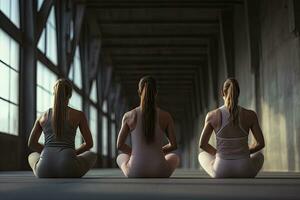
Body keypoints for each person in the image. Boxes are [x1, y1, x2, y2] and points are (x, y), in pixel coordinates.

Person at [28, 79, 97, 178]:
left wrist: (49, 151)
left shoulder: (42, 116)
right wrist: (74, 153)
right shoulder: (78, 115)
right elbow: (89, 143)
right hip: (68, 166)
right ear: (70, 95)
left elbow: (32, 143)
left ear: (54, 93)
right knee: (92, 155)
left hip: (44, 169)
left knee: (32, 156)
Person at [198, 78, 265, 178]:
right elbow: (260, 143)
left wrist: (218, 154)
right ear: (238, 93)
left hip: (221, 170)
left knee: (202, 155)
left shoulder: (212, 116)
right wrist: (245, 152)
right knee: (260, 156)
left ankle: (217, 165)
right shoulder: (250, 115)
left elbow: (202, 144)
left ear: (222, 93)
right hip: (245, 170)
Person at [116, 76, 180, 178]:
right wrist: (156, 152)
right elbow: (174, 145)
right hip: (160, 171)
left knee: (121, 157)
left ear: (139, 92)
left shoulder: (129, 116)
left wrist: (135, 153)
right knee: (174, 157)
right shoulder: (166, 116)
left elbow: (119, 145)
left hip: (135, 171)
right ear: (156, 93)